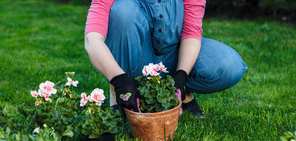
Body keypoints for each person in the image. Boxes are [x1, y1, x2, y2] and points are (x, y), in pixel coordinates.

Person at [84, 0, 248, 118]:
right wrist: (119, 79)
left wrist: (182, 74)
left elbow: (191, 32)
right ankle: (120, 92)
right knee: (121, 11)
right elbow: (92, 39)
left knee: (228, 65)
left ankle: (184, 95)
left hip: (173, 55)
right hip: (135, 56)